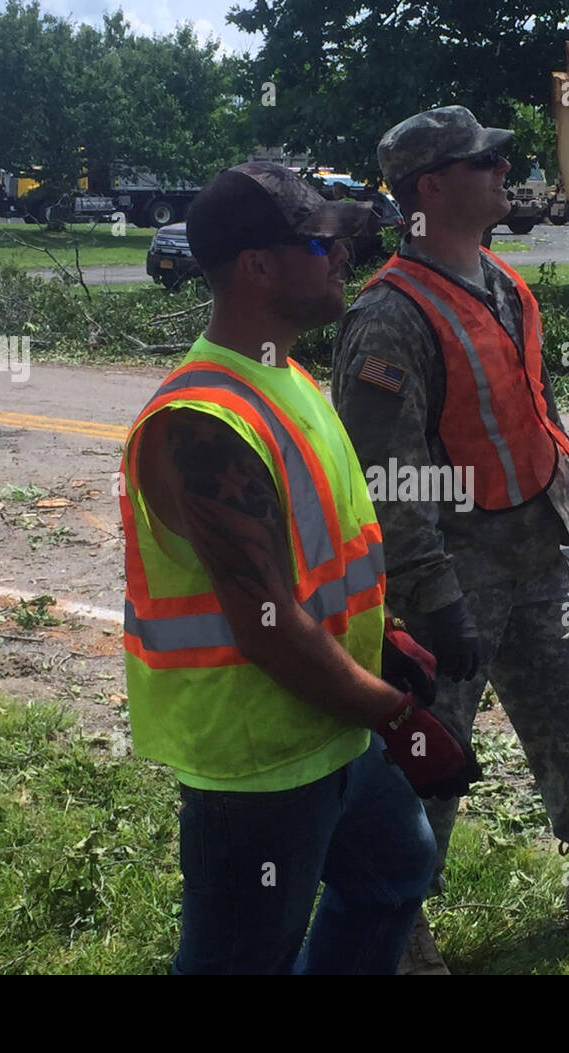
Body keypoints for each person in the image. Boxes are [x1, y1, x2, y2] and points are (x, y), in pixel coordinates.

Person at [332, 107, 569, 973]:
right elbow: (385, 481)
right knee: (425, 757)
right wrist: (433, 599)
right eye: (486, 161)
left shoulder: (500, 283)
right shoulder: (389, 318)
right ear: (432, 186)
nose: (506, 170)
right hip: (448, 580)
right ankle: (400, 933)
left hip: (537, 558)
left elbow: (529, 418)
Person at [119, 161, 479, 975]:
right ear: (258, 265)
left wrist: (378, 636)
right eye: (324, 244)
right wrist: (395, 713)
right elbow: (270, 627)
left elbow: (319, 560)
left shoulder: (287, 376)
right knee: (239, 958)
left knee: (394, 872)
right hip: (260, 763)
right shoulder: (201, 424)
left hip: (330, 725)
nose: (343, 258)